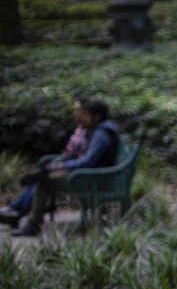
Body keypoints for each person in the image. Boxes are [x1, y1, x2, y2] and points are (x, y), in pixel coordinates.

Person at [10, 98, 119, 237]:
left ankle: (32, 223)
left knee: (44, 181)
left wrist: (63, 165)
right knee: (43, 174)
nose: (80, 117)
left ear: (96, 117)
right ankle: (26, 214)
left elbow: (87, 161)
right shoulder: (94, 129)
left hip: (94, 178)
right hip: (88, 174)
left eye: (84, 114)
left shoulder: (101, 134)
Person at [0, 121, 88, 229]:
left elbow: (86, 160)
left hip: (81, 175)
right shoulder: (84, 129)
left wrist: (58, 165)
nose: (76, 114)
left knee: (42, 180)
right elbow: (71, 154)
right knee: (39, 175)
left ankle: (27, 219)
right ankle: (15, 209)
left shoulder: (99, 133)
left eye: (80, 111)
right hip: (71, 168)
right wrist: (54, 165)